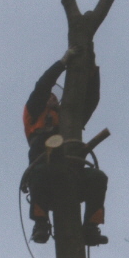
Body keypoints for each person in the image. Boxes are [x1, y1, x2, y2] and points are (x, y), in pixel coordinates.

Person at [22, 45, 108, 246]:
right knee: (39, 173)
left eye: (55, 96)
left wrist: (92, 69)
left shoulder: (67, 119)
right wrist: (62, 63)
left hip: (72, 174)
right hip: (46, 172)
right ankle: (41, 224)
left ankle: (90, 227)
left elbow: (92, 100)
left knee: (97, 178)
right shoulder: (34, 111)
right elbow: (43, 85)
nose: (52, 98)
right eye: (50, 96)